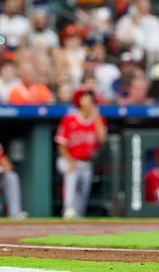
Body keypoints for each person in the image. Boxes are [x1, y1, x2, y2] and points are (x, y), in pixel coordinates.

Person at [54, 88, 107, 219]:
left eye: (90, 98)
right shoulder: (69, 118)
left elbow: (102, 139)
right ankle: (68, 209)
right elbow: (61, 146)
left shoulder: (98, 120)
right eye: (85, 98)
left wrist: (96, 117)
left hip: (86, 163)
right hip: (67, 159)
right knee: (72, 173)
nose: (88, 101)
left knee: (82, 196)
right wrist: (70, 162)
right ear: (79, 101)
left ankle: (76, 215)